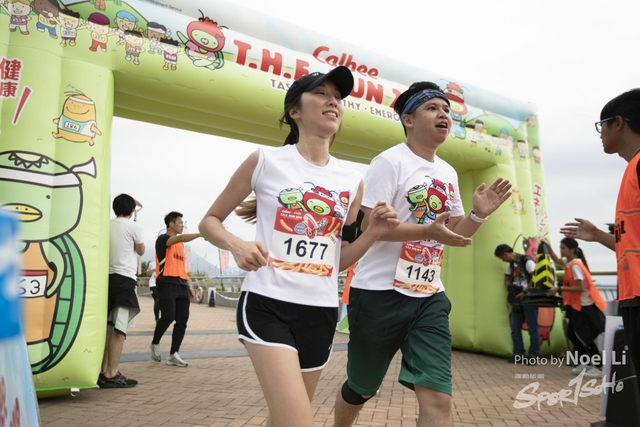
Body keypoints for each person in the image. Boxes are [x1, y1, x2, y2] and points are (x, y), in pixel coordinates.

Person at [198, 66, 400, 427]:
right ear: (295, 111)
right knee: (298, 421)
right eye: (321, 93)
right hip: (268, 304)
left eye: (337, 97)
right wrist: (237, 244)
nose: (332, 101)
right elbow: (209, 221)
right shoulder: (265, 161)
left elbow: (337, 261)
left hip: (321, 312)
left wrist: (372, 234)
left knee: (284, 418)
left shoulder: (352, 181)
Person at [333, 82, 512, 427]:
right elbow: (371, 226)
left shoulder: (447, 172)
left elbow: (454, 233)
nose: (443, 114)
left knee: (438, 397)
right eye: (432, 108)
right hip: (379, 293)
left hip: (429, 295)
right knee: (362, 387)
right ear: (408, 119)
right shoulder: (390, 162)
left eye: (446, 110)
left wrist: (478, 215)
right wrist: (427, 231)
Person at [560, 88, 640, 391]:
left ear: (618, 123)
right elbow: (631, 244)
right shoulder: (631, 169)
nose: (600, 134)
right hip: (632, 294)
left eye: (601, 125)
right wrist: (597, 236)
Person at [542, 238, 606, 378]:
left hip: (585, 306)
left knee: (585, 337)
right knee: (571, 334)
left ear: (572, 250)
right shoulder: (568, 262)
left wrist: (559, 288)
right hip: (575, 305)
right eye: (560, 247)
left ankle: (599, 367)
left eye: (563, 248)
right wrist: (548, 246)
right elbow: (556, 259)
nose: (561, 250)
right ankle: (586, 363)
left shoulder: (576, 265)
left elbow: (580, 287)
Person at [99, 194, 144, 388]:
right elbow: (141, 250)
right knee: (119, 329)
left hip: (106, 279)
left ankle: (102, 371)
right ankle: (111, 373)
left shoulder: (106, 225)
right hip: (124, 279)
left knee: (108, 327)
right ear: (132, 210)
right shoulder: (133, 227)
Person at [149, 211, 201, 367]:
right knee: (168, 317)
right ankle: (155, 342)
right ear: (171, 224)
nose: (182, 225)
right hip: (166, 282)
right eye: (180, 222)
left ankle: (173, 354)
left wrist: (189, 285)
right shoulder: (163, 239)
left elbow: (181, 267)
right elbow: (181, 237)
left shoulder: (180, 245)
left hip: (182, 284)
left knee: (182, 321)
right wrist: (201, 234)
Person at [494, 244, 541, 364]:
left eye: (502, 258)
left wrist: (524, 292)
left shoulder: (526, 260)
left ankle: (534, 355)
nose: (503, 260)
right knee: (515, 328)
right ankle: (518, 354)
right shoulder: (511, 265)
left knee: (533, 328)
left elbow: (535, 277)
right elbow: (506, 279)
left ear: (505, 254)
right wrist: (510, 286)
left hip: (529, 298)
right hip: (516, 298)